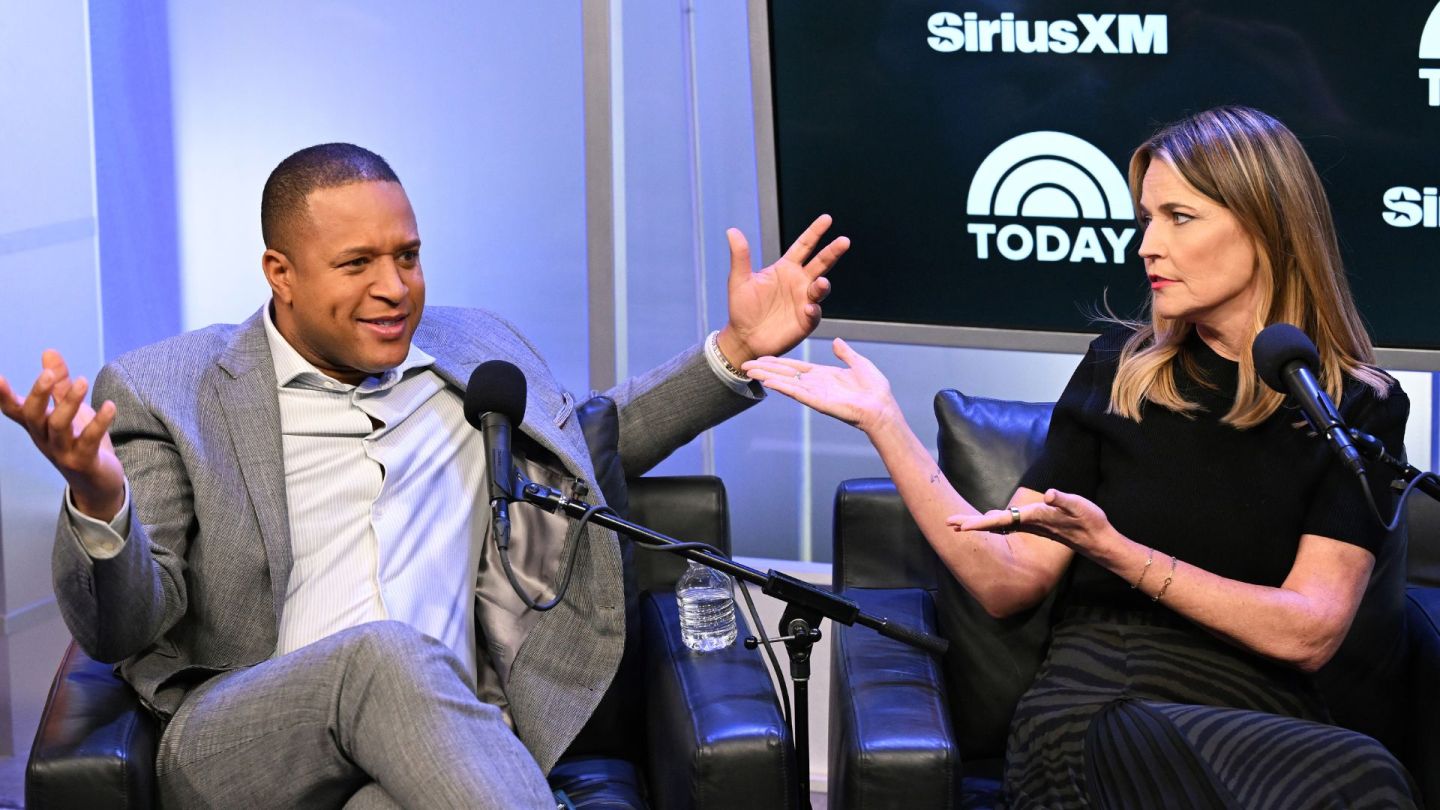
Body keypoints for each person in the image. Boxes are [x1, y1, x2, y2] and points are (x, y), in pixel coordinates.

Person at [0, 143, 847, 809]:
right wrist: (100, 499)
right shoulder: (169, 389)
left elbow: (597, 440)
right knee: (383, 656)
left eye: (408, 256)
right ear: (280, 274)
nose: (394, 288)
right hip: (245, 744)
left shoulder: (475, 351)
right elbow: (123, 628)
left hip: (447, 744)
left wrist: (735, 351)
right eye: (357, 263)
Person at [743, 106, 1419, 807]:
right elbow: (1008, 582)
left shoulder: (1355, 408)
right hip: (1102, 694)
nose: (1148, 246)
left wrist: (1121, 552)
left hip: (1259, 710)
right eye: (1145, 219)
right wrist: (886, 424)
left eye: (1179, 218)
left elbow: (1309, 631)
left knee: (1357, 775)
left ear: (1267, 226)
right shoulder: (1118, 372)